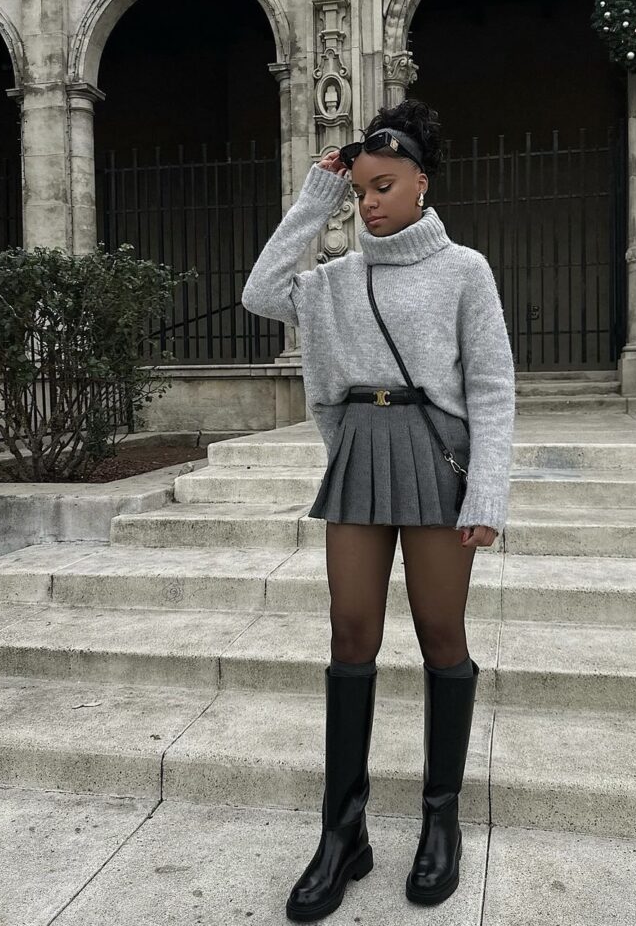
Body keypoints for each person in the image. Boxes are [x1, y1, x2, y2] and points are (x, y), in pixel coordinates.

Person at [240, 98, 516, 922]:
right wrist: (313, 199)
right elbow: (260, 293)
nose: (370, 203)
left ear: (422, 183)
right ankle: (342, 832)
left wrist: (488, 490)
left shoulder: (464, 270)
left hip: (436, 456)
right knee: (350, 633)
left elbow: (493, 389)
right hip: (360, 450)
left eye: (384, 186)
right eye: (360, 190)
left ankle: (441, 820)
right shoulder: (330, 281)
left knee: (441, 637)